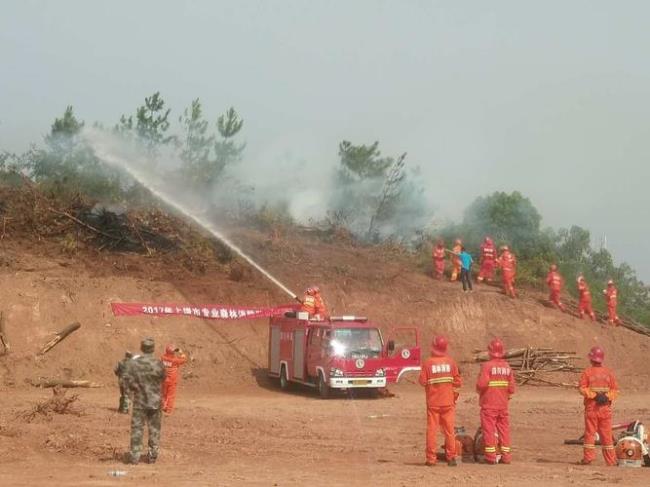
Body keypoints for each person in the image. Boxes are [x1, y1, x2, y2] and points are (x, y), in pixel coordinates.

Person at [418, 336, 462, 467]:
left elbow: (422, 381)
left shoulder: (428, 363)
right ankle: (451, 457)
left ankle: (431, 459)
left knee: (432, 430)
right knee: (449, 430)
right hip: (448, 403)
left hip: (433, 403)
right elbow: (458, 382)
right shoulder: (451, 362)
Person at [123, 337, 166, 465]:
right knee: (154, 429)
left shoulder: (134, 363)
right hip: (155, 401)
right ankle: (153, 456)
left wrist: (133, 390)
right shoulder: (159, 363)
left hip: (140, 402)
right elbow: (163, 377)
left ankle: (135, 456)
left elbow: (126, 379)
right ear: (152, 349)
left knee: (137, 429)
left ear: (142, 348)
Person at [476, 338, 515, 464]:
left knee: (489, 430)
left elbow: (482, 384)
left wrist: (479, 390)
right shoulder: (507, 366)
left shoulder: (487, 366)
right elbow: (512, 388)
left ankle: (491, 457)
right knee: (504, 430)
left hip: (489, 404)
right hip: (503, 405)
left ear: (490, 351)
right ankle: (506, 456)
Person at [577, 346, 618, 466]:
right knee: (607, 435)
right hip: (605, 409)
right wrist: (607, 397)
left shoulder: (587, 372)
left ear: (591, 359)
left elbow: (582, 389)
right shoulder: (608, 373)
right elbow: (615, 391)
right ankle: (610, 461)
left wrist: (594, 396)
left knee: (590, 433)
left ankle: (588, 458)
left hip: (591, 408)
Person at [161, 344, 188, 414]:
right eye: (174, 351)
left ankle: (162, 406)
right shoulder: (175, 360)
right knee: (170, 395)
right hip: (172, 380)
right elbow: (184, 359)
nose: (174, 352)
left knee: (164, 394)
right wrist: (181, 352)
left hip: (164, 379)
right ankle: (168, 409)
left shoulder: (162, 357)